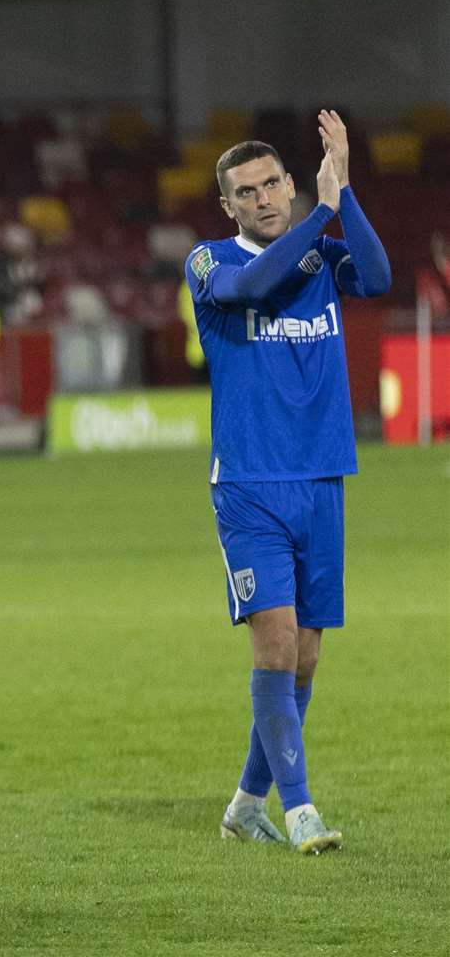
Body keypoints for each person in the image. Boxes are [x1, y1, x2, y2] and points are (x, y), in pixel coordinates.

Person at [184, 112, 390, 855]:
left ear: (293, 186)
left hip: (322, 477)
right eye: (248, 191)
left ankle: (246, 804)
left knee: (304, 655)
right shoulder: (210, 263)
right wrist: (325, 212)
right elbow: (258, 284)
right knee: (273, 646)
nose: (265, 198)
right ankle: (300, 809)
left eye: (274, 183)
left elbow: (377, 275)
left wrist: (347, 193)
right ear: (229, 207)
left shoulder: (323, 254)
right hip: (249, 485)